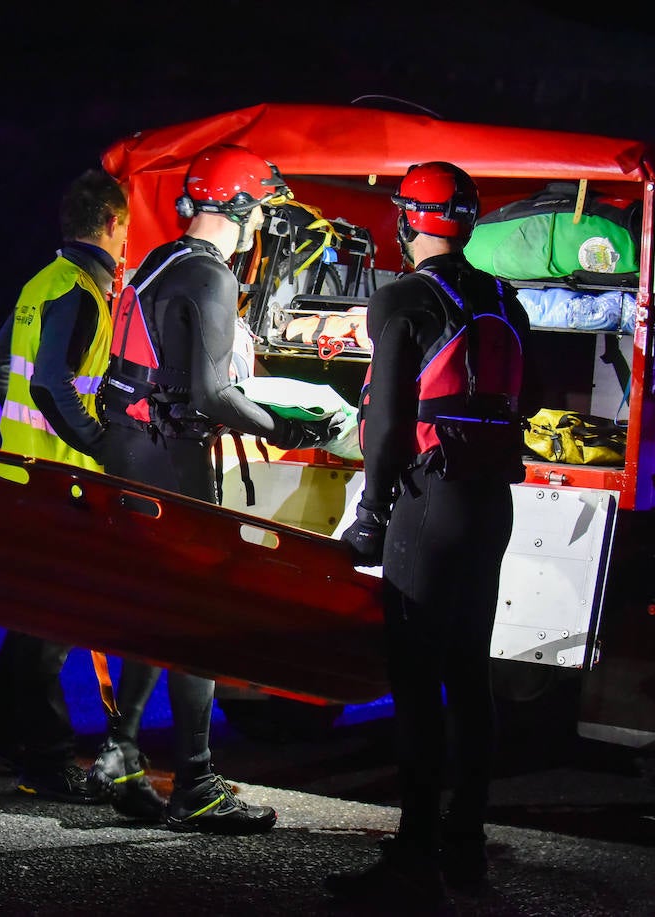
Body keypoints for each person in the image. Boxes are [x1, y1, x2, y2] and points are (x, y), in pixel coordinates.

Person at [97, 144, 348, 834]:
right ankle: (198, 783)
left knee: (159, 608)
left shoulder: (159, 259)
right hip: (169, 455)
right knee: (200, 616)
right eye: (260, 209)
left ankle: (119, 753)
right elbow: (212, 393)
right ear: (238, 207)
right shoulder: (210, 276)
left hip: (130, 446)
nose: (262, 223)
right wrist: (295, 426)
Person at [325, 161, 538, 906]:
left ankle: (414, 851)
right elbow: (527, 396)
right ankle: (466, 844)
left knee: (416, 683)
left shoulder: (402, 297)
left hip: (429, 500)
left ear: (407, 221)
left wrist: (372, 511)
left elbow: (385, 421)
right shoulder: (507, 299)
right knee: (469, 676)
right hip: (489, 505)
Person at [0, 169, 160, 811]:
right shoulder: (79, 291)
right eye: (126, 223)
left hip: (23, 474)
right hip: (57, 484)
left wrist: (26, 424)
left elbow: (1, 365)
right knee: (56, 619)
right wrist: (98, 443)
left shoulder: (39, 283)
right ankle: (46, 761)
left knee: (31, 612)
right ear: (111, 223)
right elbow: (49, 383)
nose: (128, 235)